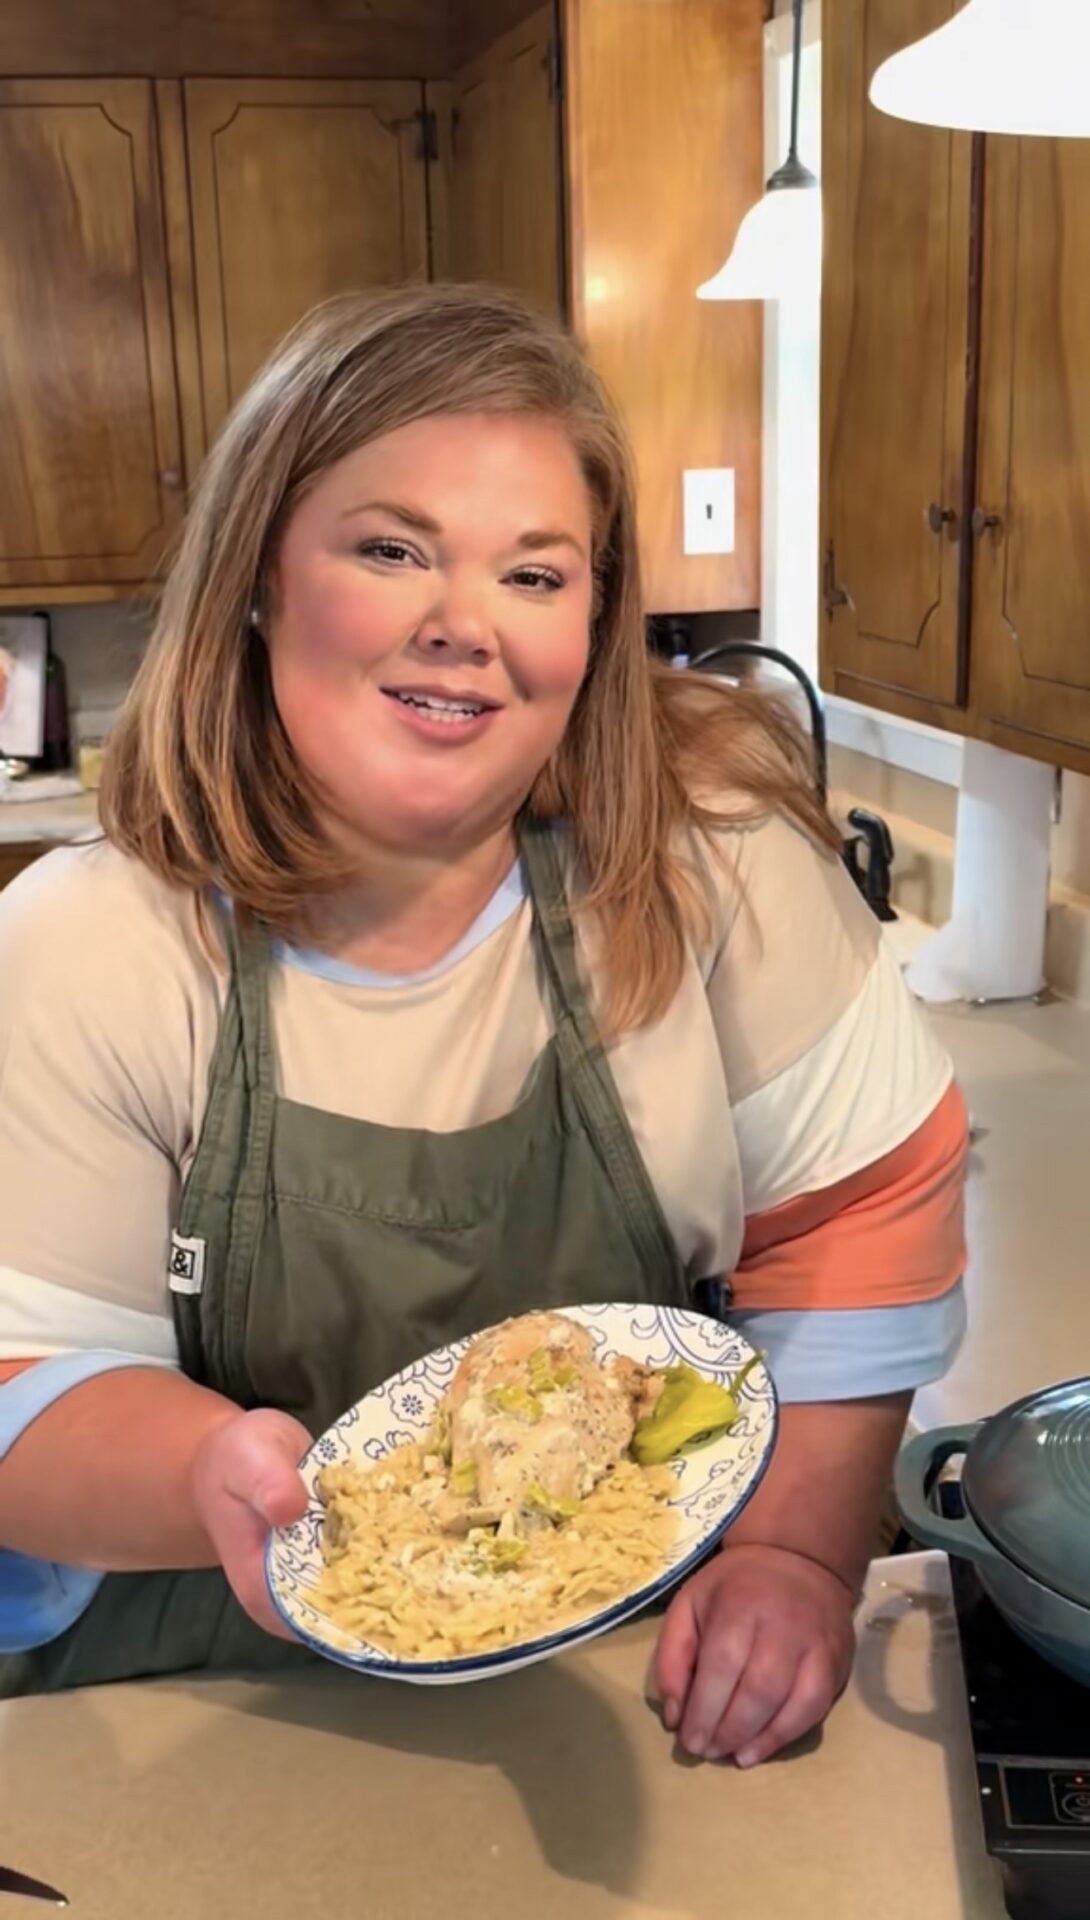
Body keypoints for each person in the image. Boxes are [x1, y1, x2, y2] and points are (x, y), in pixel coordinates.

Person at [0, 285, 967, 1760]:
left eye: (535, 574)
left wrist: (789, 1558)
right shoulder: (89, 945)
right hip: (196, 1690)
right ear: (259, 574)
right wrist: (217, 1473)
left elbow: (857, 1232)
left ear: (595, 614)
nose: (464, 629)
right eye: (390, 551)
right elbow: (24, 1380)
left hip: (637, 1668)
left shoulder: (717, 865)